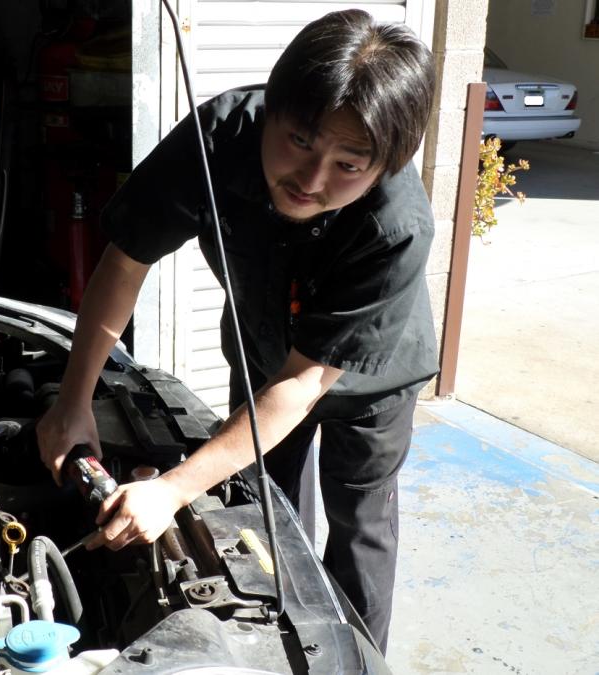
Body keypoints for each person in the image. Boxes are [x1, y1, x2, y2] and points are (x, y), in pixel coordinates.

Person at [37, 8, 437, 653]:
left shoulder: (396, 228)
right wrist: (72, 400)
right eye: (300, 140)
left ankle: (357, 661)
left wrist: (168, 491)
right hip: (260, 350)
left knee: (360, 526)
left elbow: (304, 385)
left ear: (386, 162)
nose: (311, 180)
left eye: (348, 164)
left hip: (371, 380)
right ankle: (269, 643)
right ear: (272, 108)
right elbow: (127, 258)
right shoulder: (220, 136)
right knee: (259, 508)